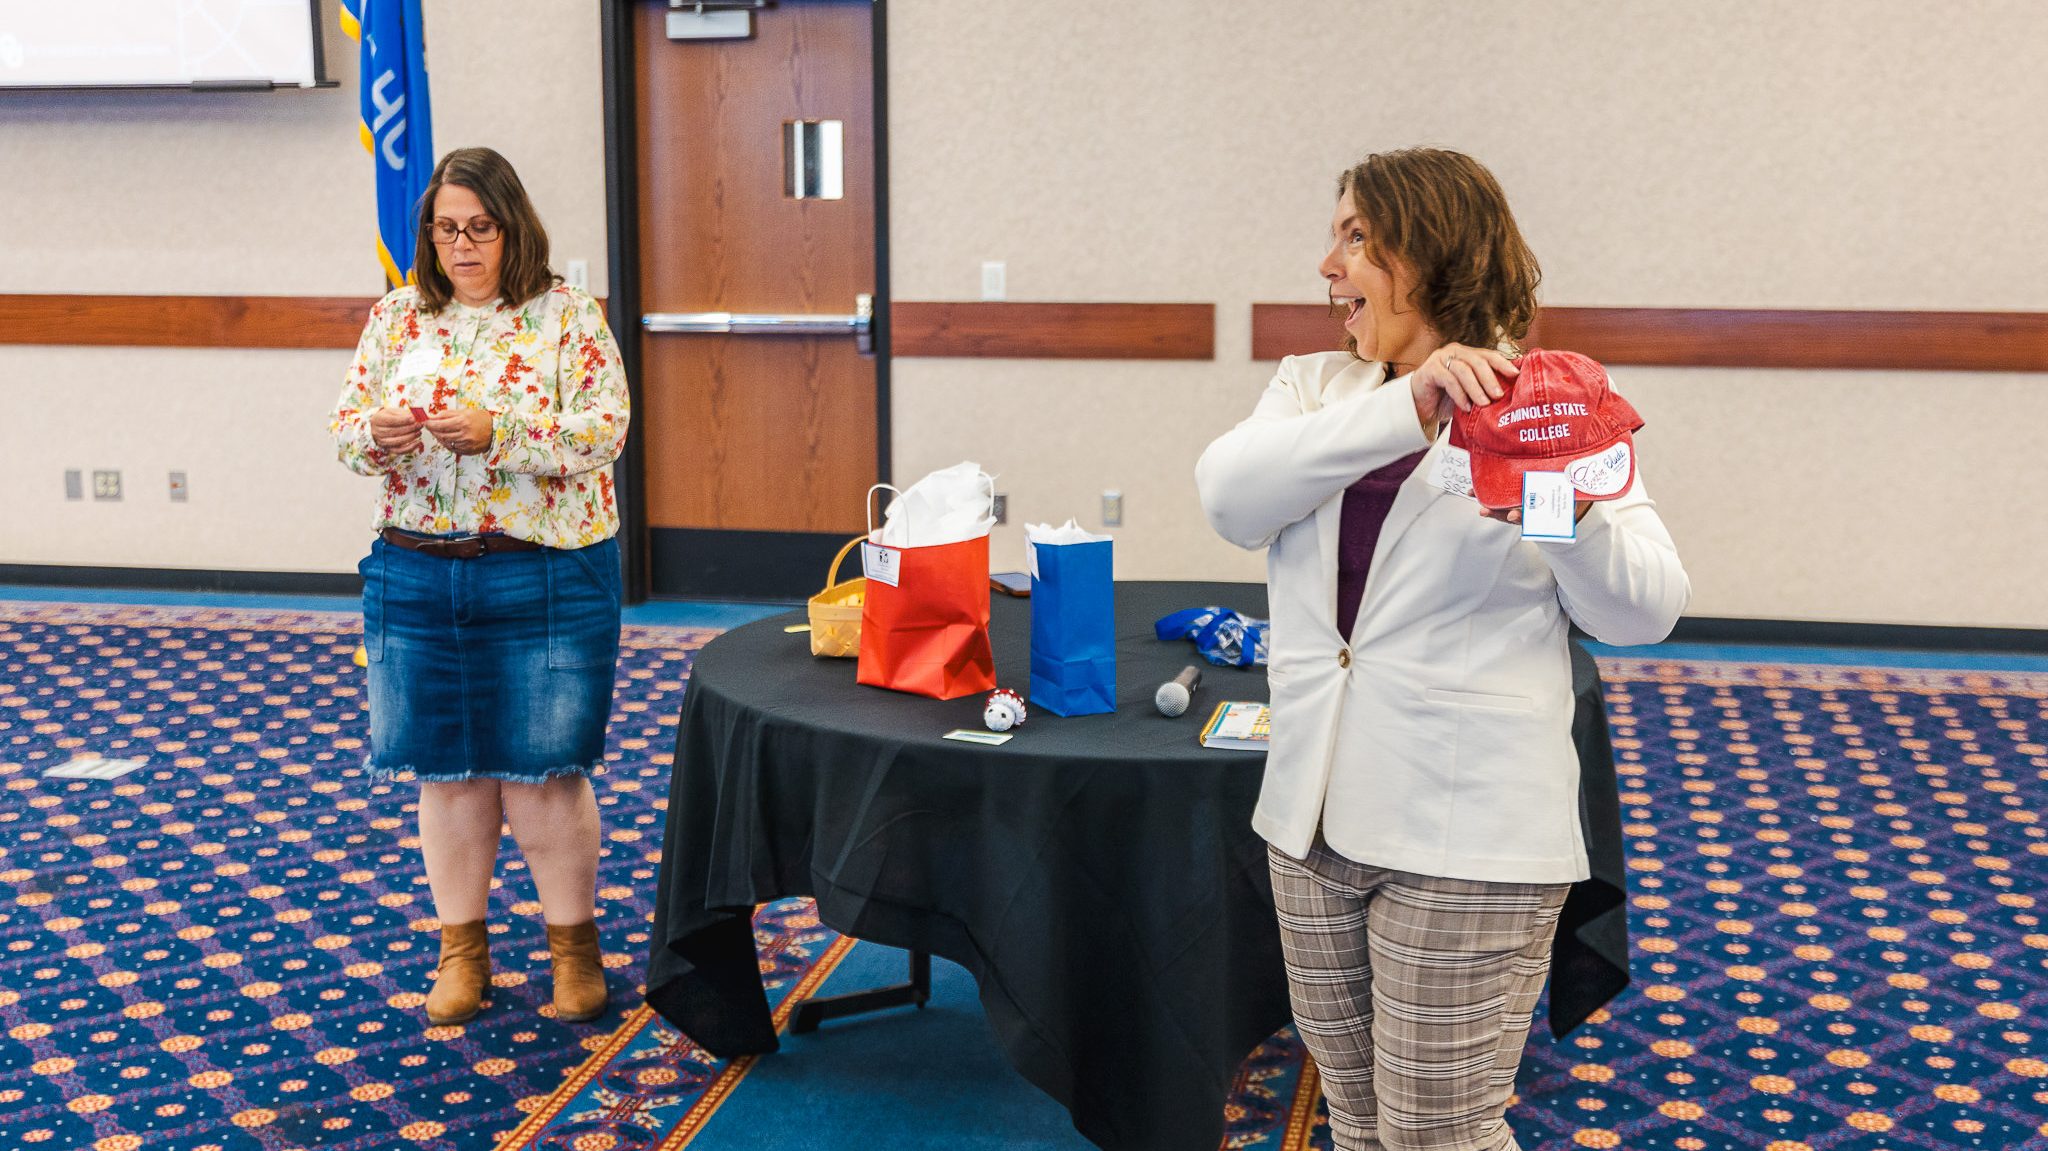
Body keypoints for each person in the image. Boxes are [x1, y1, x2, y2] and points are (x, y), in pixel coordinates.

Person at [1195, 148, 1689, 1150]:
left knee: (1438, 1135)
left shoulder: (1546, 402)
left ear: (1427, 252)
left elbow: (1643, 609)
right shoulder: (1313, 387)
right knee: (1364, 1125)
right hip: (1313, 819)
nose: (1326, 267)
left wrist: (1558, 500)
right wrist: (1406, 403)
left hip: (1468, 831)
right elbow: (1230, 498)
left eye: (1354, 239)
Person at [328, 146, 631, 1027]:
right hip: (417, 568)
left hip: (543, 569)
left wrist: (500, 431)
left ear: (512, 227)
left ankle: (572, 949)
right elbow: (345, 433)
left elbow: (603, 432)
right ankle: (462, 953)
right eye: (445, 229)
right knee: (449, 774)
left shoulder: (565, 316)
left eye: (478, 228)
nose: (461, 245)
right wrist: (378, 434)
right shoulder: (396, 318)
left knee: (543, 773)